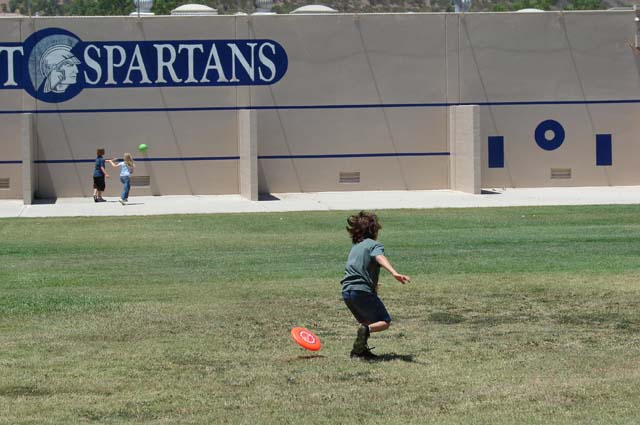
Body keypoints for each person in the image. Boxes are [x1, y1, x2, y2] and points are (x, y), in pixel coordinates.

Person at [341, 211, 410, 360]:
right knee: (384, 322)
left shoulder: (356, 247)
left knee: (365, 322)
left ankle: (359, 352)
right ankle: (365, 333)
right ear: (374, 230)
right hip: (361, 291)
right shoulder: (374, 245)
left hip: (347, 291)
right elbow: (379, 257)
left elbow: (355, 268)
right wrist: (394, 272)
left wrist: (372, 283)